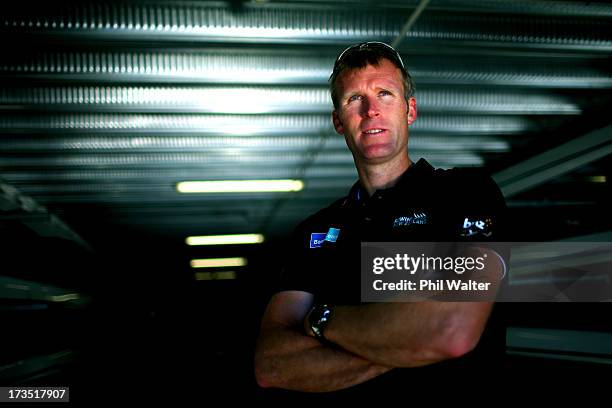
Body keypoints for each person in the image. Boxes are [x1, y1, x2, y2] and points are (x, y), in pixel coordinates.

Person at [254, 42, 508, 397]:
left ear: (410, 110)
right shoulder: (314, 231)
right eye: (353, 99)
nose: (370, 110)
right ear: (337, 121)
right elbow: (272, 364)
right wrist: (411, 339)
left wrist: (320, 320)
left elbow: (451, 329)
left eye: (385, 94)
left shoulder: (465, 193)